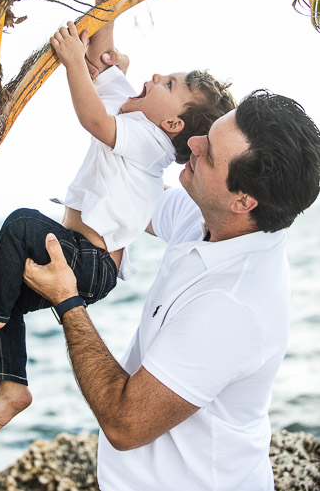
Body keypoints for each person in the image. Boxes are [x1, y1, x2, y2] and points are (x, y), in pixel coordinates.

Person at [0, 0, 235, 434]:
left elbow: (93, 118)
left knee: (20, 224)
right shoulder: (134, 106)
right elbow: (103, 63)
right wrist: (109, 16)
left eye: (169, 85)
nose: (157, 75)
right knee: (7, 289)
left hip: (90, 263)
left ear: (174, 126)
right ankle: (12, 385)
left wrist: (72, 63)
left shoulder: (153, 145)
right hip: (75, 253)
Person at [24, 89, 320, 490]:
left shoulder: (231, 307)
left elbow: (125, 425)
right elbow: (129, 199)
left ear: (243, 200)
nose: (192, 144)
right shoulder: (210, 217)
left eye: (209, 152)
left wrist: (67, 301)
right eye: (207, 133)